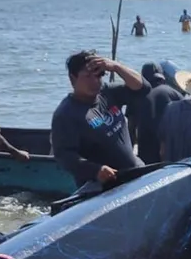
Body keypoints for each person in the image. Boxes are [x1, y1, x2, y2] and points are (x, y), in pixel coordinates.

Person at [50, 51, 147, 190]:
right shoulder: (65, 114)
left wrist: (116, 67)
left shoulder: (107, 93)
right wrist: (96, 170)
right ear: (73, 79)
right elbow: (64, 156)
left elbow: (143, 88)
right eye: (88, 76)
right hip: (101, 186)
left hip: (133, 173)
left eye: (98, 75)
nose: (94, 81)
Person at [137, 62, 184, 164]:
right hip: (173, 154)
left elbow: (131, 128)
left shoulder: (139, 96)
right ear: (163, 77)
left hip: (146, 155)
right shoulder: (176, 94)